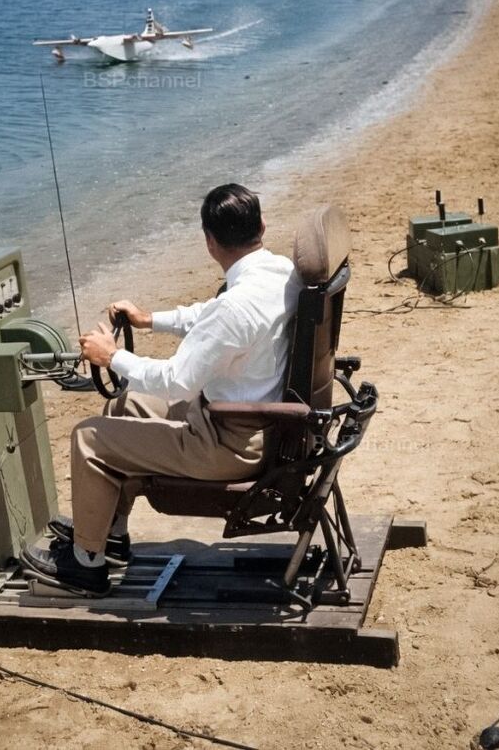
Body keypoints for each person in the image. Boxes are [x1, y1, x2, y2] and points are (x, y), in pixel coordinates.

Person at [20, 183, 302, 596]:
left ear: (209, 242)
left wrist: (110, 356)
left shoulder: (236, 306)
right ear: (261, 225)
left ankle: (84, 567)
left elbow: (177, 380)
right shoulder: (282, 274)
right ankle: (109, 536)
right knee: (126, 404)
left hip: (228, 444)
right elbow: (214, 315)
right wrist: (150, 319)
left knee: (88, 438)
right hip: (258, 426)